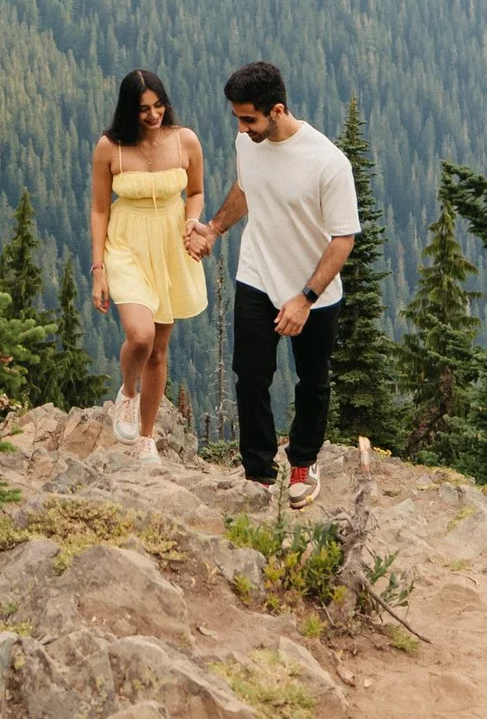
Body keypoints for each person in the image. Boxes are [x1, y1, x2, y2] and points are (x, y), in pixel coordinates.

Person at [188, 61, 357, 509]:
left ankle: (303, 462)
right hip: (258, 276)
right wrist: (214, 229)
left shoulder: (327, 162)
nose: (241, 128)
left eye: (249, 119)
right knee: (251, 375)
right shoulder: (248, 142)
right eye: (237, 119)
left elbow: (343, 239)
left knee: (312, 380)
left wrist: (305, 298)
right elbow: (246, 188)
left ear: (277, 110)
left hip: (312, 291)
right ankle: (259, 472)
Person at [89, 68, 209, 465]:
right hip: (125, 244)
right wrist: (99, 268)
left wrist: (193, 222)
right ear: (129, 110)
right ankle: (127, 392)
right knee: (139, 336)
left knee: (158, 351)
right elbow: (99, 208)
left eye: (159, 106)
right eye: (144, 109)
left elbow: (195, 192)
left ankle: (145, 437)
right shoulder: (111, 147)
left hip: (171, 243)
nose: (154, 115)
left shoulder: (185, 140)